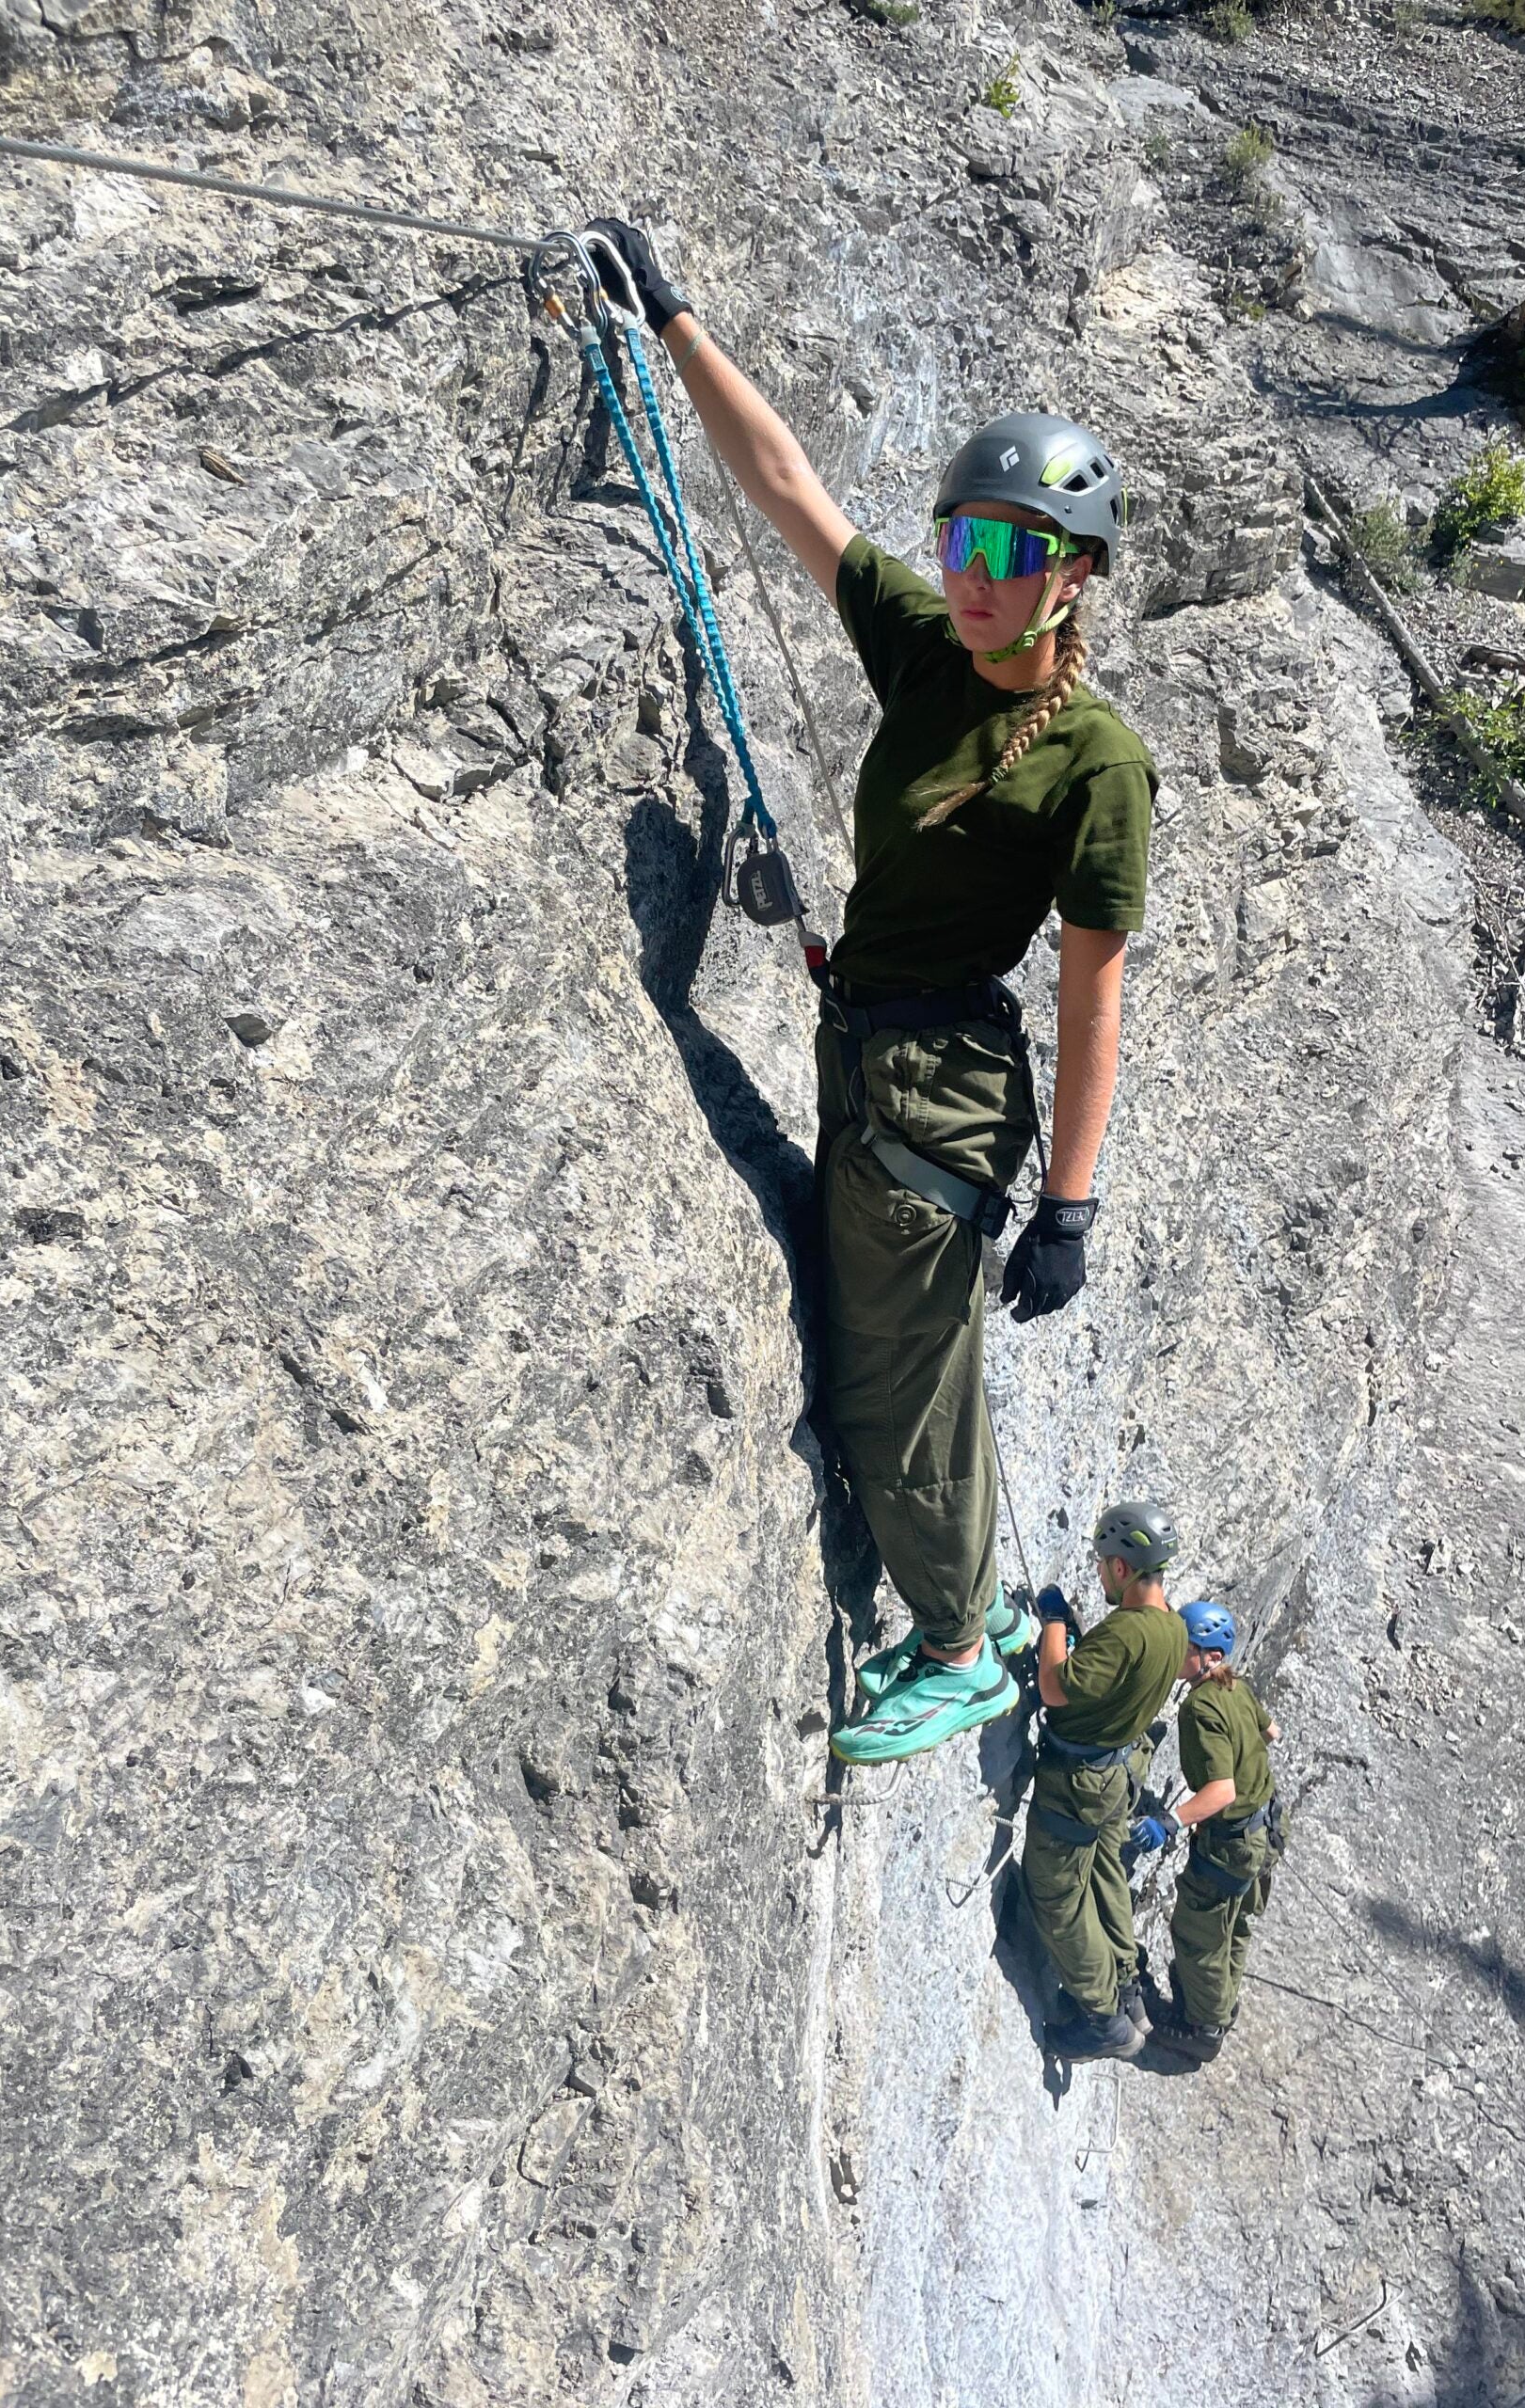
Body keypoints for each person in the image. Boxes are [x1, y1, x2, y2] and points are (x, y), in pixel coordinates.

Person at [588, 222, 1157, 1767]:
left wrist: (1074, 1203)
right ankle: (963, 1622)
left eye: (1009, 555)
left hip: (940, 1096)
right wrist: (679, 320)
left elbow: (1095, 989)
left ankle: (962, 1651)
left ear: (1074, 575)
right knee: (910, 1368)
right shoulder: (924, 652)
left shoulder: (1097, 761)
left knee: (886, 1391)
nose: (972, 581)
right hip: (878, 1049)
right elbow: (789, 492)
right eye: (963, 544)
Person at [1020, 1502, 1183, 2061]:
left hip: (1077, 1783)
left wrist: (1056, 1626)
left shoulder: (1129, 1632)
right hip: (1114, 1776)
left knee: (1059, 1896)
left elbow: (1056, 1689)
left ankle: (1103, 2017)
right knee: (1105, 1876)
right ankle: (1125, 1988)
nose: (1098, 1571)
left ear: (1120, 1568)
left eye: (1100, 1562)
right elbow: (1115, 1677)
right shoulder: (1172, 1630)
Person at [1131, 1601, 1283, 2063]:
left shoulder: (1199, 1709)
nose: (1177, 1652)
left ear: (1210, 1657)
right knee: (1233, 1924)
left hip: (1231, 1841)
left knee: (1199, 1935)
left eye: (1186, 1646)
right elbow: (1272, 1732)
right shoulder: (1236, 1686)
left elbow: (1219, 1791)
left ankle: (1203, 2029)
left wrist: (1170, 1821)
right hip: (1266, 1827)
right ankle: (1221, 2004)